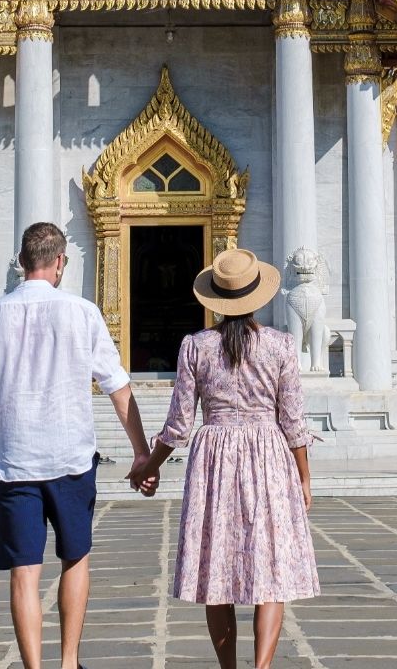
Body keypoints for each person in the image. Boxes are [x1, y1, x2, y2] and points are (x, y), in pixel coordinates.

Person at [0, 221, 152, 669]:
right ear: (60, 262)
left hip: (13, 462)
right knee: (75, 557)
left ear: (23, 262)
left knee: (25, 571)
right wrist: (142, 452)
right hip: (70, 460)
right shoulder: (82, 312)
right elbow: (118, 387)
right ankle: (68, 663)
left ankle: (34, 668)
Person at [132, 247, 319, 669]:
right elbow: (293, 420)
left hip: (214, 456)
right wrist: (304, 476)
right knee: (270, 564)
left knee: (217, 568)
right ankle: (262, 667)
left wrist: (150, 465)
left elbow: (178, 424)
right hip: (268, 453)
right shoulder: (279, 345)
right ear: (258, 295)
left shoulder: (196, 346)